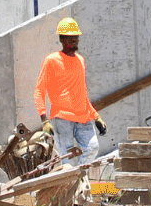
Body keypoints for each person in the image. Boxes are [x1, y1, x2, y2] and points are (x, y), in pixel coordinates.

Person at [34, 17, 106, 163]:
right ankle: (71, 182)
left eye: (75, 36)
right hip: (62, 119)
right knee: (66, 160)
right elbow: (39, 91)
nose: (74, 40)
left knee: (92, 148)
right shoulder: (51, 61)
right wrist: (44, 120)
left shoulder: (80, 61)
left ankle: (77, 180)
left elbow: (82, 93)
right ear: (61, 39)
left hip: (83, 118)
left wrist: (96, 116)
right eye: (70, 37)